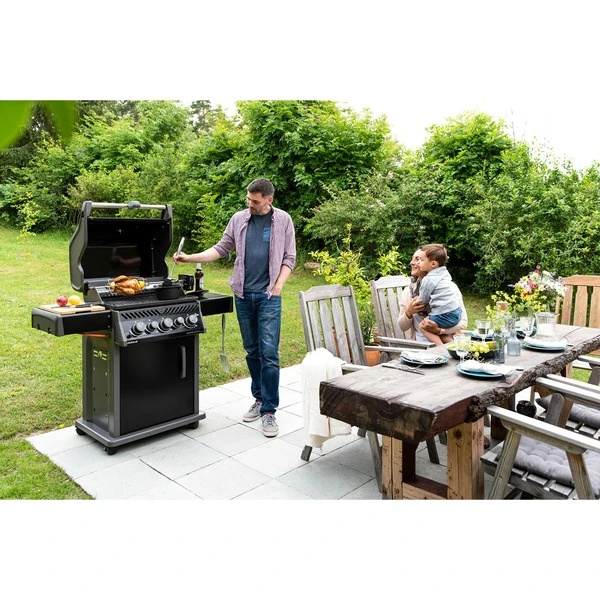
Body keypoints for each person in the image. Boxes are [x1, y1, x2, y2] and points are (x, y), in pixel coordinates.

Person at [173, 178, 296, 438]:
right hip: (243, 295)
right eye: (248, 199)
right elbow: (221, 249)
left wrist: (278, 286)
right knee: (252, 350)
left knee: (269, 353)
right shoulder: (239, 219)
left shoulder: (283, 220)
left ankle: (269, 410)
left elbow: (289, 257)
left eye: (255, 201)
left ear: (269, 200)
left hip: (268, 296)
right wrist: (189, 258)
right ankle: (259, 398)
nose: (250, 204)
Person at [398, 248, 468, 345]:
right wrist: (409, 312)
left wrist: (440, 331)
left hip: (449, 344)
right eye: (412, 259)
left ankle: (442, 349)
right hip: (423, 346)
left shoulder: (449, 288)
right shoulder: (408, 292)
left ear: (433, 264)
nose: (412, 263)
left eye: (418, 259)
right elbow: (402, 327)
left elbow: (463, 322)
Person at [414, 243, 462, 345]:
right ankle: (455, 347)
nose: (418, 263)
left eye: (421, 260)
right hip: (456, 313)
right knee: (437, 330)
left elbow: (422, 300)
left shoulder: (428, 279)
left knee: (424, 326)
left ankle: (440, 349)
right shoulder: (444, 273)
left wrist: (416, 302)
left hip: (444, 314)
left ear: (433, 264)